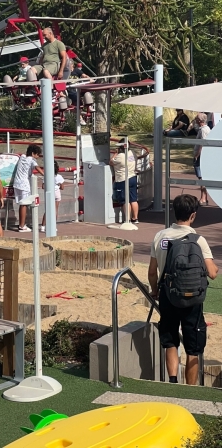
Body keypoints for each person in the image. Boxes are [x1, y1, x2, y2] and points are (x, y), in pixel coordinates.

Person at [148, 194, 218, 385]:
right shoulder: (199, 240)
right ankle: (191, 388)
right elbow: (212, 273)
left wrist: (154, 290)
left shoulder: (160, 237)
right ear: (193, 215)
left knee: (170, 340)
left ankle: (172, 381)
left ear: (174, 212)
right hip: (193, 299)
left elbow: (152, 272)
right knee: (193, 347)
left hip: (168, 295)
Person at [11, 144, 44, 232]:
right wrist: (46, 175)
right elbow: (38, 168)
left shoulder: (22, 157)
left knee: (21, 204)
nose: (37, 157)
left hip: (17, 183)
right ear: (33, 153)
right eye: (37, 155)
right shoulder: (32, 160)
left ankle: (22, 224)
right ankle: (22, 226)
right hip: (24, 184)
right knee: (24, 204)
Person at [110, 143, 139, 224]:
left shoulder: (120, 156)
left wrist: (115, 153)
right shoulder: (132, 153)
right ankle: (135, 218)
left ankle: (127, 219)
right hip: (132, 177)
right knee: (133, 199)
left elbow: (111, 162)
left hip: (123, 179)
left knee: (125, 200)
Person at [40, 161, 65, 232]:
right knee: (55, 210)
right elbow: (62, 187)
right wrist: (58, 186)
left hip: (49, 193)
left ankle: (43, 226)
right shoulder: (59, 177)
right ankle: (53, 226)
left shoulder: (46, 176)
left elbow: (43, 186)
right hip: (57, 193)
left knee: (47, 210)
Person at [193, 113, 210, 205]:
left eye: (196, 118)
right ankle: (204, 198)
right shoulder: (203, 129)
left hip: (200, 157)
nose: (195, 120)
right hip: (201, 156)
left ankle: (203, 198)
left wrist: (197, 155)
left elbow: (202, 143)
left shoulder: (204, 130)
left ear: (200, 121)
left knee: (201, 177)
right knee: (201, 177)